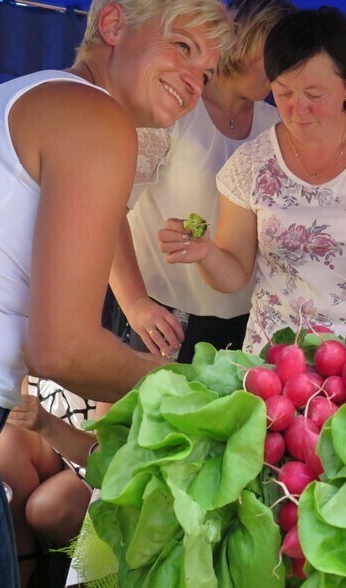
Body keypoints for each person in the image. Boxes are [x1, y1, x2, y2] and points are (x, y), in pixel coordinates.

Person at [0, 1, 233, 588]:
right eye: (183, 48)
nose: (194, 81)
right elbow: (63, 350)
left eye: (208, 71)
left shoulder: (45, 98)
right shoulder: (95, 117)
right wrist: (203, 397)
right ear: (114, 25)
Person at [158, 7, 346, 353]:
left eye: (314, 95)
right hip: (278, 360)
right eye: (284, 93)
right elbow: (234, 273)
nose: (298, 109)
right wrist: (205, 252)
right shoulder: (251, 164)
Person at [111, 0, 294, 363]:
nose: (284, 67)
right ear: (243, 38)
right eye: (276, 51)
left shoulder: (278, 124)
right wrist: (134, 303)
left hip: (249, 327)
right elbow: (108, 209)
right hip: (164, 320)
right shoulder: (175, 107)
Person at [0, 379, 103, 588]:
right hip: (49, 446)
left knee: (48, 507)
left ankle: (78, 578)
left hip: (92, 464)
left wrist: (44, 422)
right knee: (4, 446)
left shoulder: (110, 356)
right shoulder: (31, 350)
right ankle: (21, 571)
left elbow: (103, 457)